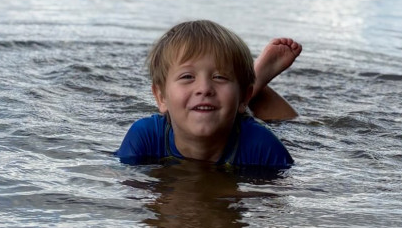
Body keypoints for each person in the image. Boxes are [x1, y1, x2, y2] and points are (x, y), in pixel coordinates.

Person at [116, 20, 302, 168]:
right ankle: (249, 78)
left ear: (245, 97)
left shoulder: (262, 145)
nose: (204, 88)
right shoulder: (145, 136)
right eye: (187, 76)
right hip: (231, 103)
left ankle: (250, 80)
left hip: (242, 120)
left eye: (219, 76)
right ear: (161, 97)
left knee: (287, 124)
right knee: (222, 102)